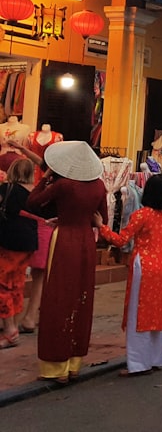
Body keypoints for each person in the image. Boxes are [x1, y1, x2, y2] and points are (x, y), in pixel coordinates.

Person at [26, 141, 108, 384]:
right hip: (86, 243)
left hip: (64, 241)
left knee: (57, 299)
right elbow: (101, 218)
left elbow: (32, 202)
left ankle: (55, 368)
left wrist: (46, 177)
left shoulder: (63, 185)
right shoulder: (100, 186)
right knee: (81, 299)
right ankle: (73, 364)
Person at [95, 173, 162, 376]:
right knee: (156, 313)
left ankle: (139, 363)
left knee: (138, 314)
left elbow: (121, 240)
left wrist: (101, 226)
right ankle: (156, 358)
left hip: (144, 266)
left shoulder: (141, 215)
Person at [0, 158, 38, 348]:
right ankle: (13, 325)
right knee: (17, 283)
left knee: (4, 284)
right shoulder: (36, 192)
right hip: (28, 243)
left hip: (9, 241)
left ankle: (9, 329)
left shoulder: (7, 189)